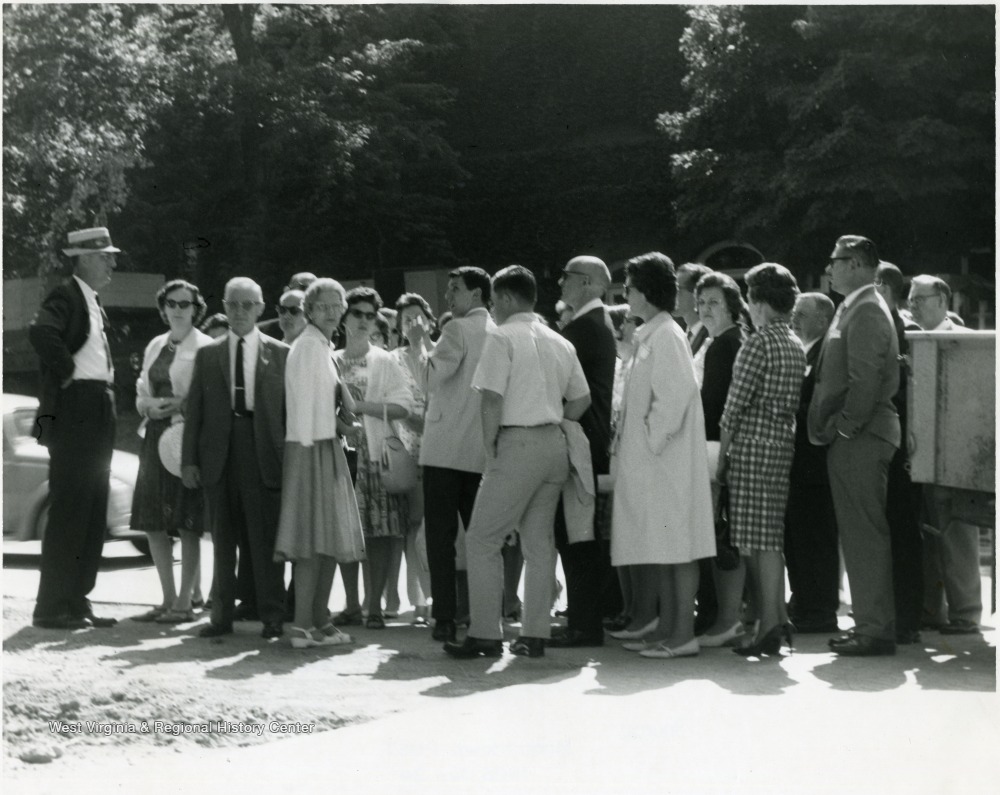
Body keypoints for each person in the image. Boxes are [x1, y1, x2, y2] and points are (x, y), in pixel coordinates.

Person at [444, 265, 591, 659]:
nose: (493, 309)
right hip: (552, 444)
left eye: (494, 302)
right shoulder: (559, 340)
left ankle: (486, 633)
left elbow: (491, 398)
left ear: (506, 299)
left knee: (482, 538)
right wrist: (556, 421)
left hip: (517, 443)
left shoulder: (502, 337)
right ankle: (534, 634)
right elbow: (581, 399)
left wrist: (491, 450)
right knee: (539, 543)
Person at [610, 252, 715, 660]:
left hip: (666, 462)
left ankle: (682, 633)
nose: (626, 294)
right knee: (665, 548)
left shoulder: (666, 336)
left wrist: (651, 441)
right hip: (656, 462)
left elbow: (675, 396)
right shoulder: (652, 334)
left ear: (649, 292)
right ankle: (670, 629)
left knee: (678, 547)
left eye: (631, 287)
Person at [182, 277, 289, 640]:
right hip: (218, 454)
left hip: (262, 451)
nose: (239, 312)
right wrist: (189, 461)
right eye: (233, 305)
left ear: (260, 308)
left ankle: (272, 616)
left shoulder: (281, 354)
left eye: (247, 305)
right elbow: (193, 411)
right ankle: (221, 616)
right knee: (223, 538)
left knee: (265, 540)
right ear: (224, 308)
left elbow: (289, 414)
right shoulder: (208, 353)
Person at [809, 235, 900, 657]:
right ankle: (868, 623)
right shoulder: (856, 306)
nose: (830, 268)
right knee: (859, 532)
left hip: (861, 437)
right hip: (858, 435)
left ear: (860, 263)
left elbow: (866, 380)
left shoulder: (864, 309)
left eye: (837, 261)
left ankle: (875, 629)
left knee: (864, 533)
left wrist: (845, 427)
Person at [29, 226, 121, 630]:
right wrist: (65, 369)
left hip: (97, 407)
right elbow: (41, 332)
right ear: (82, 257)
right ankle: (51, 607)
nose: (112, 262)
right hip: (76, 412)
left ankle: (76, 599)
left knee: (92, 510)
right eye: (105, 256)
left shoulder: (91, 300)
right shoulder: (65, 294)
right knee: (70, 509)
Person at [716, 263, 805, 658]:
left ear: (760, 301)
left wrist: (722, 457)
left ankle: (769, 624)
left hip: (752, 444)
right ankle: (777, 618)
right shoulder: (792, 341)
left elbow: (734, 406)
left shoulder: (758, 342)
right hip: (780, 443)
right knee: (770, 537)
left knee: (757, 541)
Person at [273, 278, 362, 648]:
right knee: (312, 540)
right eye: (322, 305)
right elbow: (307, 409)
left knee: (328, 538)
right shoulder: (309, 346)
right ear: (309, 310)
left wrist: (341, 425)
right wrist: (339, 428)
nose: (330, 311)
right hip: (311, 447)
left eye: (336, 304)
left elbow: (323, 404)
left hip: (324, 445)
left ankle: (320, 620)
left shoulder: (320, 345)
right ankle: (301, 625)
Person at [410, 267, 497, 643]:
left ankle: (444, 616)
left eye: (455, 289)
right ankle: (486, 615)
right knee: (482, 539)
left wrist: (419, 343)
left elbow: (430, 379)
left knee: (441, 540)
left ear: (476, 294)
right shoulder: (498, 331)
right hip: (482, 450)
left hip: (446, 449)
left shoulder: (457, 329)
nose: (448, 296)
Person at [130, 280, 212, 624]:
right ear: (163, 308)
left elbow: (209, 395)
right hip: (154, 439)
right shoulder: (155, 346)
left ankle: (185, 602)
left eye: (185, 304)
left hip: (186, 439)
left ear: (196, 309)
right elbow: (139, 391)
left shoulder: (207, 346)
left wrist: (180, 404)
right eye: (172, 304)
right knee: (153, 523)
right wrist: (148, 407)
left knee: (187, 523)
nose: (178, 309)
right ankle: (166, 598)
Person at [548, 256, 618, 649]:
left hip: (578, 444)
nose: (560, 283)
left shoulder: (582, 329)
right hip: (587, 444)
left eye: (566, 276)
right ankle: (582, 619)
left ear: (589, 283)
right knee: (577, 535)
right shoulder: (597, 325)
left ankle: (584, 625)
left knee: (575, 537)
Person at [332, 287, 412, 630]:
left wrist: (360, 409)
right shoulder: (330, 359)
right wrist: (339, 424)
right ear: (344, 318)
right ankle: (351, 604)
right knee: (344, 532)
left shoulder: (385, 360)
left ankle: (375, 605)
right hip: (338, 451)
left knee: (378, 533)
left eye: (370, 315)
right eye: (357, 314)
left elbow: (404, 406)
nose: (364, 321)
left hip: (375, 454)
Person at [908, 275, 982, 636]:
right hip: (922, 453)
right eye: (910, 299)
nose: (912, 305)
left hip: (955, 457)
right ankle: (932, 610)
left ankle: (966, 612)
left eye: (919, 299)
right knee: (928, 534)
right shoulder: (913, 339)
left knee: (957, 535)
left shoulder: (967, 343)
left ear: (941, 299)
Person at [692, 272, 748, 647]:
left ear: (731, 303)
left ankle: (721, 619)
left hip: (715, 446)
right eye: (702, 303)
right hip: (721, 445)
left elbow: (714, 404)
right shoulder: (726, 340)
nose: (706, 309)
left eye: (714, 302)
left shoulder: (724, 344)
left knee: (718, 535)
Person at [784, 292, 840, 634]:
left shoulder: (826, 353)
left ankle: (821, 610)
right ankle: (803, 602)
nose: (795, 319)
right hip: (797, 461)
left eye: (802, 314)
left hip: (816, 462)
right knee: (797, 537)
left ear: (822, 319)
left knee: (816, 537)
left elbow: (822, 404)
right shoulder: (802, 350)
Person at [875, 262, 924, 643]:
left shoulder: (909, 333)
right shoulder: (878, 323)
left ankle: (907, 619)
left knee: (903, 529)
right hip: (886, 440)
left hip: (904, 443)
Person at [385, 293, 437, 625]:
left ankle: (435, 597)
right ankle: (418, 599)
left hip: (440, 446)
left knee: (435, 525)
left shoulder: (442, 351)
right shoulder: (392, 359)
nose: (413, 324)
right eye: (406, 320)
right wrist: (407, 421)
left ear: (430, 320)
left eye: (418, 318)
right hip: (406, 448)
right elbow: (390, 400)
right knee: (413, 524)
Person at [674, 262, 714, 385]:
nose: (671, 295)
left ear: (697, 294)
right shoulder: (684, 335)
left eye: (677, 289)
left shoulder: (711, 336)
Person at [258, 272, 317, 340]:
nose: (309, 295)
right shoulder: (262, 333)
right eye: (304, 288)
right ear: (287, 290)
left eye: (315, 292)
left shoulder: (326, 333)